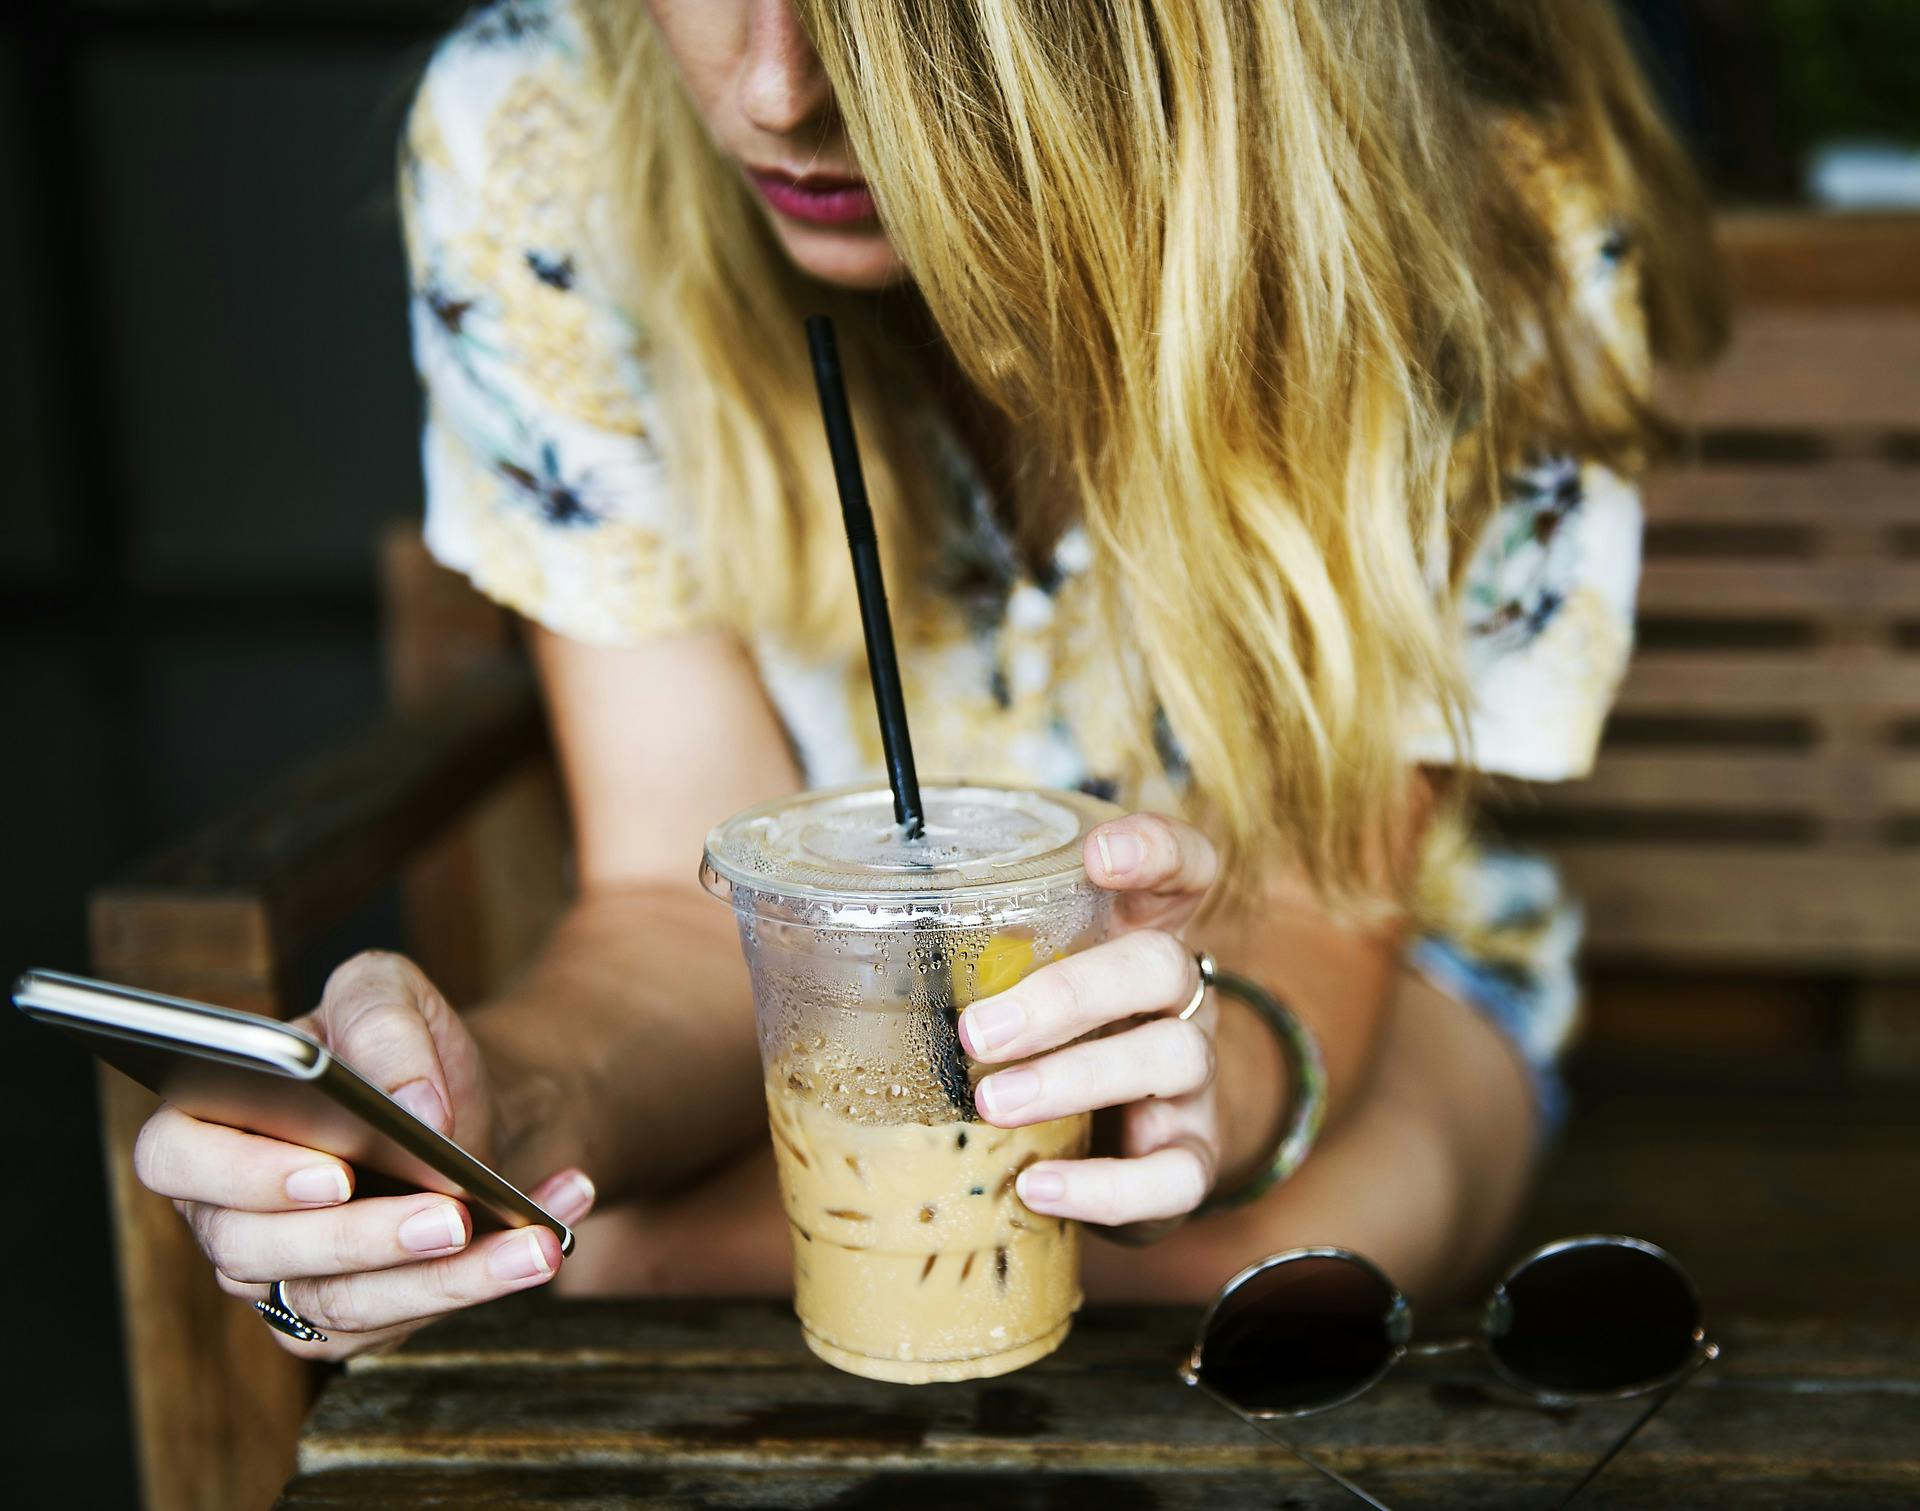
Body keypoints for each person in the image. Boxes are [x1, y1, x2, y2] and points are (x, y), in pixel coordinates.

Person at [133, 0, 1725, 1359]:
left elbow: (1321, 907)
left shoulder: (1482, 217)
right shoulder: (544, 137)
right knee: (614, 1252)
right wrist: (502, 1122)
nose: (774, 89)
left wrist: (1204, 1083)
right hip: (826, 1018)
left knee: (1237, 1277)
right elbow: (683, 907)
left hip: (1343, 978)